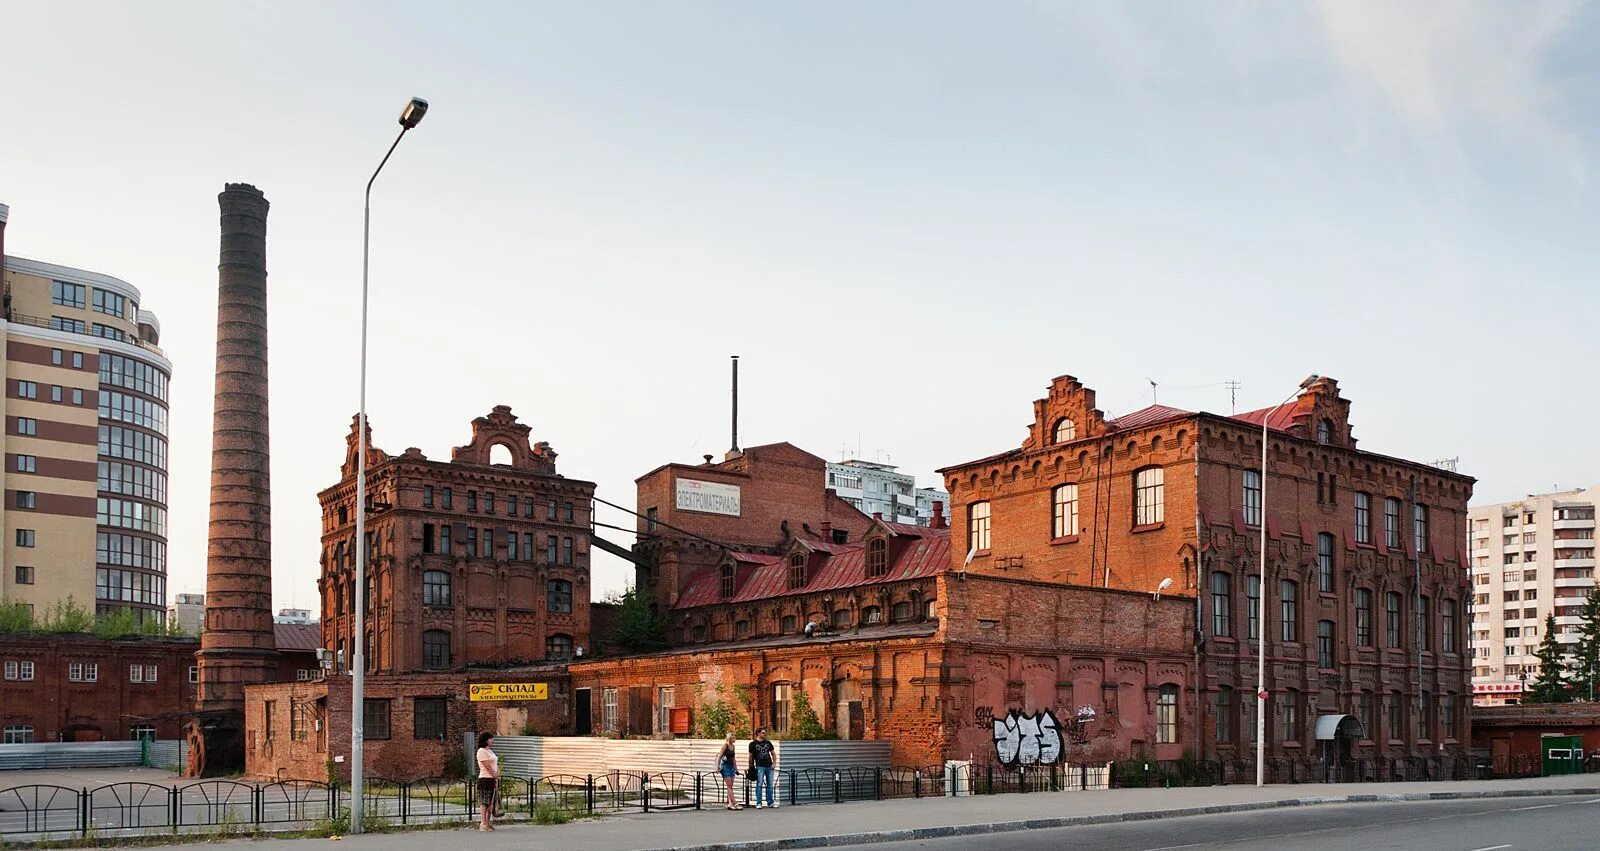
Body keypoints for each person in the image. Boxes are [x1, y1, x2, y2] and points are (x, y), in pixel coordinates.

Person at [747, 727, 777, 808]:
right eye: (763, 733)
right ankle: (759, 803)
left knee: (770, 785)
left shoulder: (768, 743)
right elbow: (750, 756)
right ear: (758, 733)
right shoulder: (753, 744)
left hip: (769, 766)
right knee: (759, 784)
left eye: (765, 733)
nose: (764, 734)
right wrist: (750, 766)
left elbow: (773, 753)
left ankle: (770, 802)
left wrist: (774, 763)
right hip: (760, 766)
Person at [476, 732, 499, 831]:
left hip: (492, 779)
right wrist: (493, 774)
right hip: (485, 778)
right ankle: (483, 823)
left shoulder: (490, 751)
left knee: (491, 802)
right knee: (484, 801)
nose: (492, 740)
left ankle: (488, 822)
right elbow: (487, 765)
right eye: (490, 739)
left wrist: (497, 774)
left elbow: (495, 764)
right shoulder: (481, 751)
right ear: (485, 740)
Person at [718, 733, 743, 810]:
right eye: (733, 738)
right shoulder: (725, 746)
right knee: (729, 786)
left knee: (730, 786)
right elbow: (719, 756)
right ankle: (735, 803)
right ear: (729, 738)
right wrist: (717, 767)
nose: (734, 739)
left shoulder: (733, 746)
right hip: (725, 767)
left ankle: (729, 803)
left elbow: (733, 758)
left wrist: (736, 768)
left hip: (731, 767)